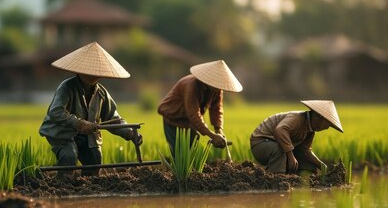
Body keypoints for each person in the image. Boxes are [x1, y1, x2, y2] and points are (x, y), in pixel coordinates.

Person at [39, 42, 143, 175]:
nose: (93, 75)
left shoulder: (102, 93)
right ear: (80, 70)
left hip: (87, 137)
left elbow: (113, 118)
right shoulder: (66, 87)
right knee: (69, 156)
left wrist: (130, 132)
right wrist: (78, 123)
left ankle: (89, 186)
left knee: (95, 159)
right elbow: (56, 112)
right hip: (64, 133)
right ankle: (63, 184)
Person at [157, 60, 243, 154]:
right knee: (179, 152)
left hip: (189, 121)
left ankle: (192, 168)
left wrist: (219, 130)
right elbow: (193, 114)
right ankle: (179, 168)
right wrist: (212, 135)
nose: (219, 87)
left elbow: (216, 109)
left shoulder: (217, 89)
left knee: (193, 149)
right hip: (173, 118)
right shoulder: (191, 85)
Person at [250, 100, 344, 174]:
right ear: (318, 117)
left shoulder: (310, 131)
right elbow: (280, 130)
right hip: (260, 143)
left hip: (275, 144)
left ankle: (299, 179)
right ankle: (276, 179)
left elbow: (305, 151)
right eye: (327, 124)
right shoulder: (297, 118)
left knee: (306, 161)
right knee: (280, 150)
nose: (327, 128)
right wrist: (290, 156)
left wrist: (321, 165)